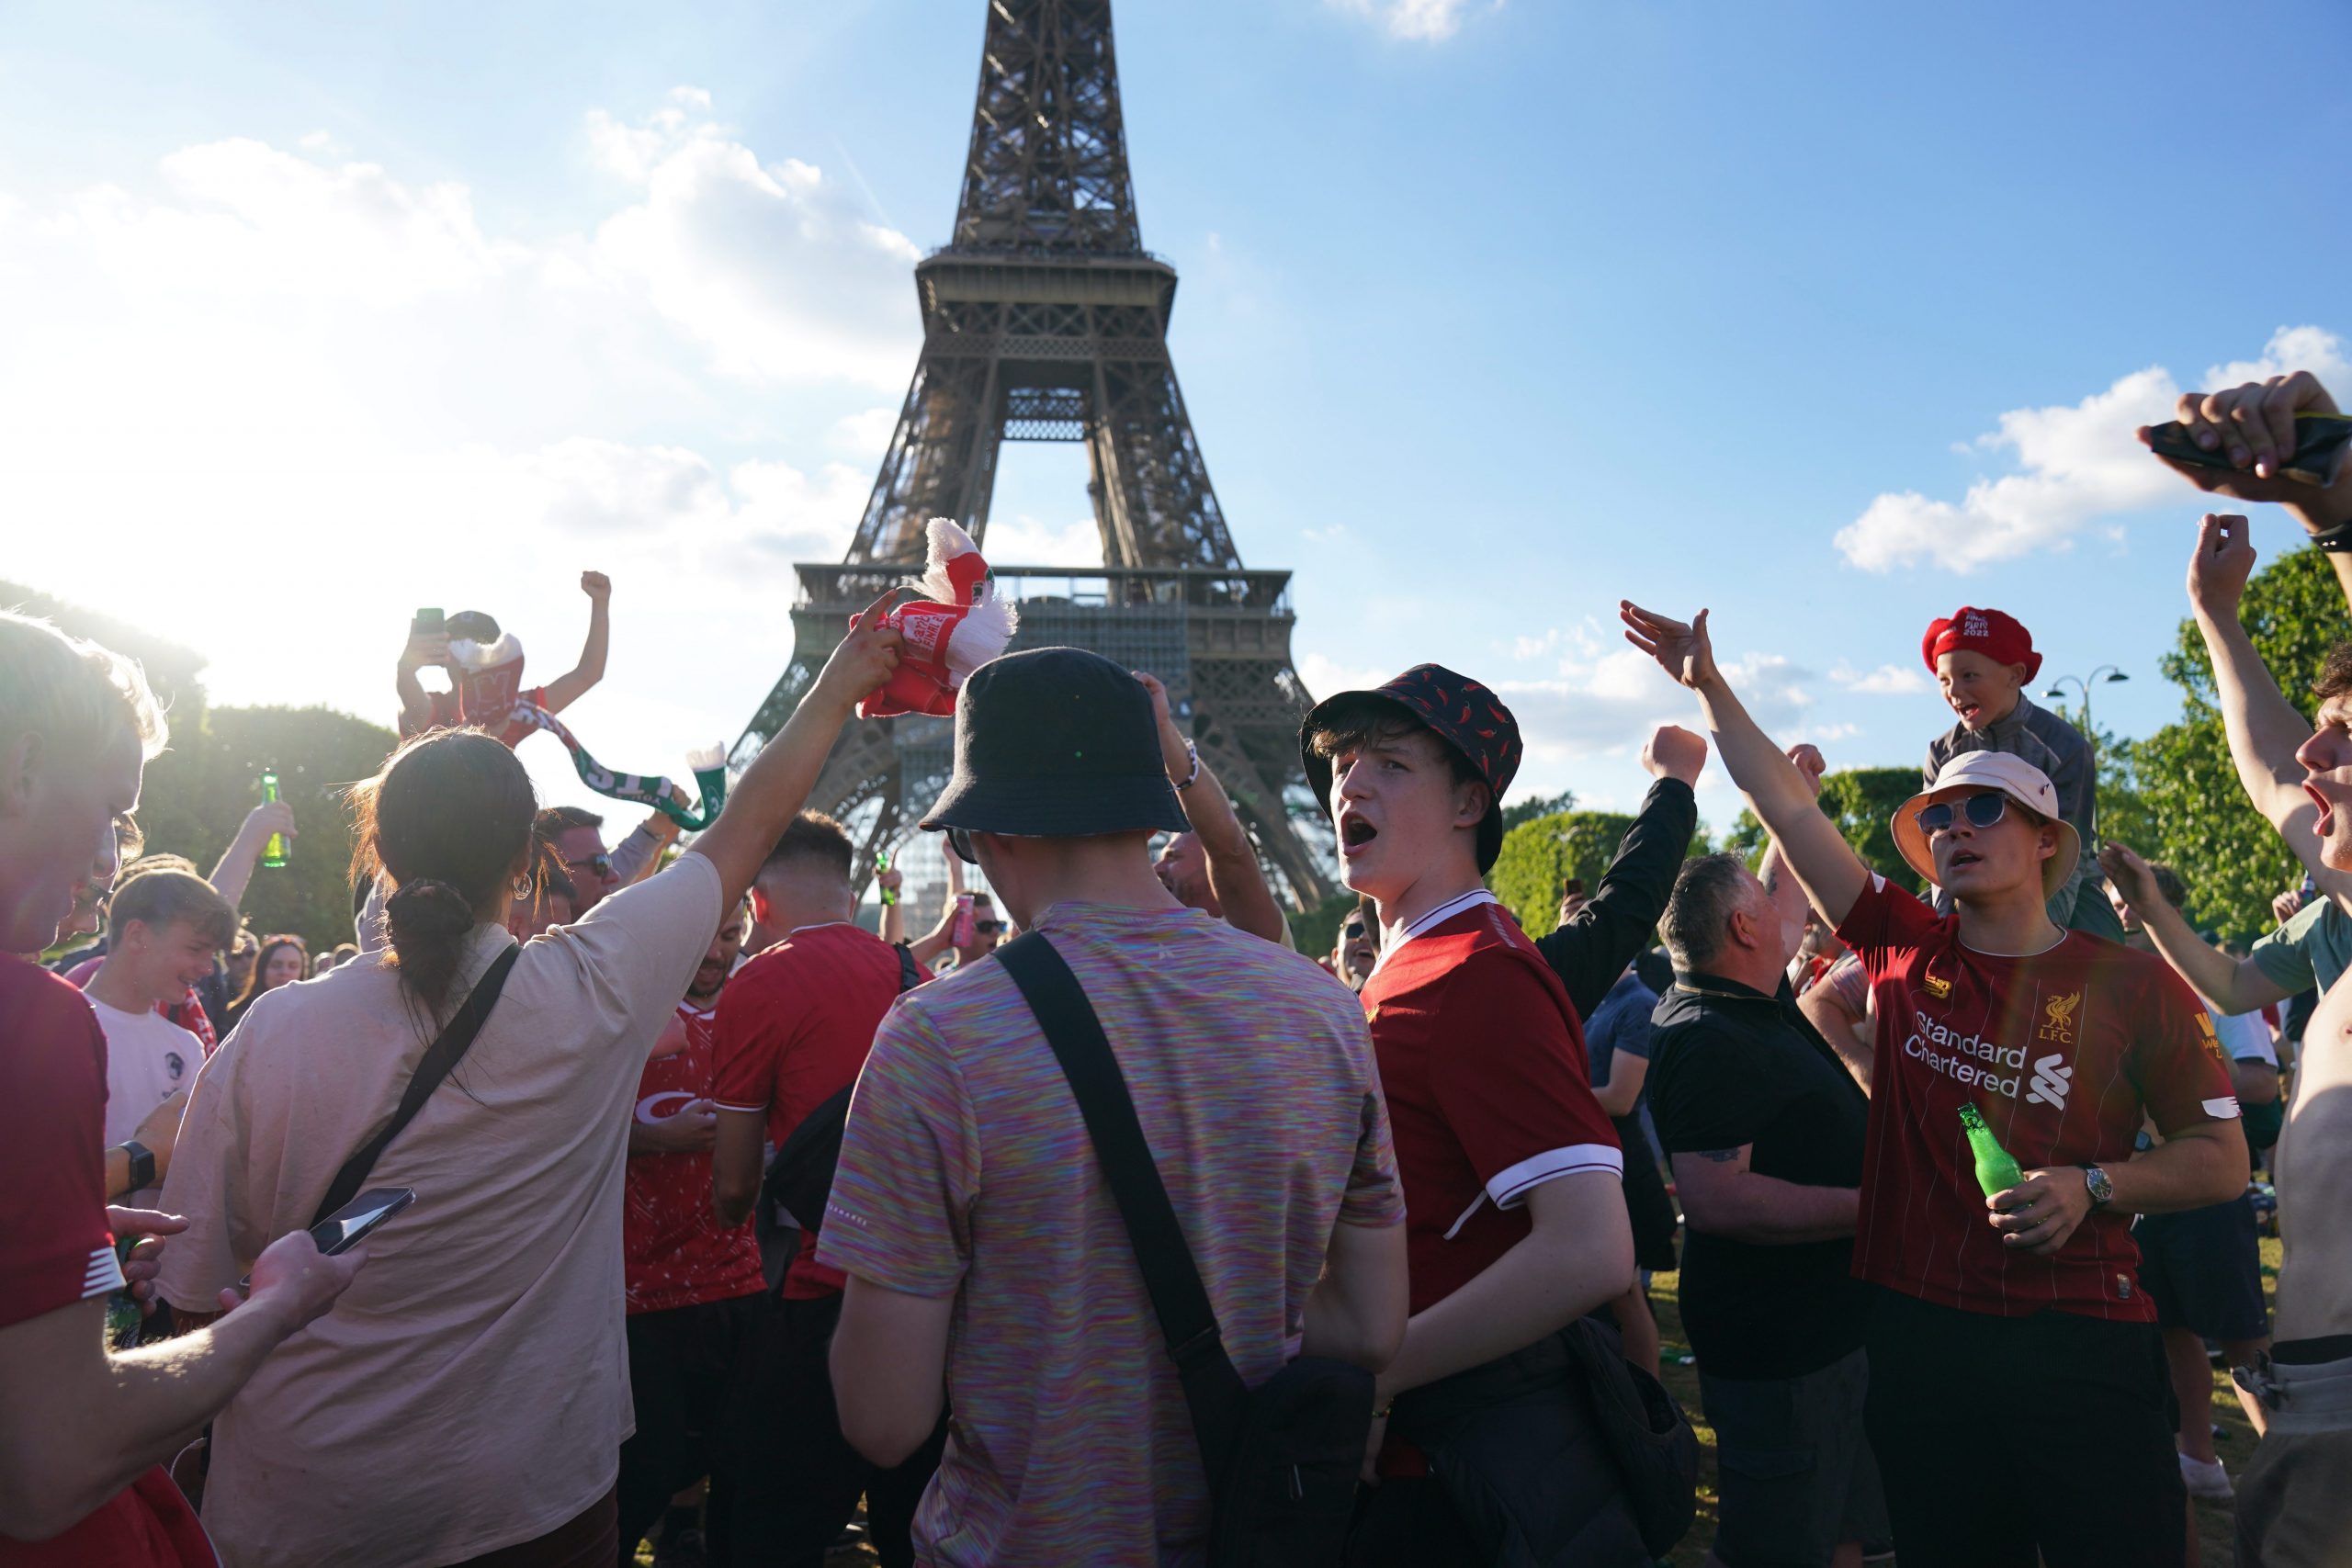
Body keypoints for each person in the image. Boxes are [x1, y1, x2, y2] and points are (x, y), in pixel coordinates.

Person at [150, 595, 905, 1567]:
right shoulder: (592, 988)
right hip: (527, 1495)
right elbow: (747, 825)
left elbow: (196, 1297)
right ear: (527, 860)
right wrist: (840, 682)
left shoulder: (270, 1032)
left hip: (305, 1501)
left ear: (378, 852)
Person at [1622, 598, 2247, 1568]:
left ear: (2048, 838)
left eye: (1985, 806)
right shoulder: (1900, 945)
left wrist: (2092, 1186)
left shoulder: (2133, 983)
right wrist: (1709, 684)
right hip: (1921, 1340)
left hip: (2082, 1337)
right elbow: (1787, 809)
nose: (1955, 824)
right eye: (1938, 814)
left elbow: (2219, 1158)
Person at [819, 647, 1408, 1565]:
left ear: (991, 830)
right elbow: (1370, 1326)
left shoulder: (939, 1038)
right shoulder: (1323, 1010)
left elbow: (883, 1420)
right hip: (1250, 1532)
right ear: (1146, 814)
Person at [0, 610, 363, 1562]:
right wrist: (277, 1308)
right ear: (22, 769)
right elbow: (53, 1466)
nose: (114, 862)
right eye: (117, 814)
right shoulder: (34, 1023)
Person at [1301, 664, 1643, 1563]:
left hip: (1452, 1472)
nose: (1350, 785)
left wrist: (1380, 1375)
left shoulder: (1478, 974)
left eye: (1389, 765)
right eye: (1341, 765)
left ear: (1467, 804)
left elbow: (1590, 1247)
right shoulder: (1413, 960)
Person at [2136, 369, 2352, 1563]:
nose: (2314, 754)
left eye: (2350, 736)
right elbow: (2276, 767)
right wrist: (2220, 614)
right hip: (2320, 1405)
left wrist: (2337, 503)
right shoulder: (2343, 912)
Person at [709, 811, 939, 1566]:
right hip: (932, 1299)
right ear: (848, 890)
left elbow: (736, 1181)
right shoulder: (921, 981)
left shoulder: (758, 984)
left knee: (763, 1532)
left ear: (758, 900)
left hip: (820, 1293)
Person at [1645, 853, 1884, 1568]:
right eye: (1765, 899)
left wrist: (1790, 809)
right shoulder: (1707, 1035)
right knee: (1776, 1544)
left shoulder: (1751, 994)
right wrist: (1879, 1211)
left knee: (1843, 1529)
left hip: (1829, 1332)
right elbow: (1720, 1199)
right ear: (1744, 927)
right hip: (1781, 1353)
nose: (1795, 912)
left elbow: (1776, 894)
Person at [2100, 849, 2277, 1506]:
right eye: (2114, 906)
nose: (2120, 916)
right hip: (2145, 1185)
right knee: (2170, 1327)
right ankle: (2199, 1457)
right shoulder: (2115, 978)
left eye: (2130, 904)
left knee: (2241, 1336)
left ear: (2161, 904)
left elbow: (2260, 1081)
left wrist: (2176, 1082)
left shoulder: (2215, 977)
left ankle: (2284, 1458)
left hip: (2208, 1177)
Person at [618, 901, 765, 1564]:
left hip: (737, 1272)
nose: (715, 953)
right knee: (650, 1461)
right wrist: (656, 1137)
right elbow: (563, 1130)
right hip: (641, 1285)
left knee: (731, 1452)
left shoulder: (757, 1009)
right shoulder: (629, 1015)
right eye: (703, 939)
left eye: (730, 936)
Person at [1917, 604, 2120, 941]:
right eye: (1944, 680)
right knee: (1906, 950)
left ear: (2015, 675)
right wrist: (1942, 924)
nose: (1953, 690)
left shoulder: (2065, 745)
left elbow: (2074, 849)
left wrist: (2041, 934)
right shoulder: (1941, 752)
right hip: (1968, 882)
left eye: (1969, 676)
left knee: (2106, 951)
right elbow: (1935, 847)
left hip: (2053, 885)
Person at [84, 870, 237, 1205]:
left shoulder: (185, 1045)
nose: (207, 968)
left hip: (151, 1253)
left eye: (211, 955)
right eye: (196, 949)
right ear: (138, 935)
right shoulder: (60, 1024)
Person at [1136, 672, 1296, 948]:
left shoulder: (1252, 936)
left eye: (1174, 856)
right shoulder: (1148, 946)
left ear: (1214, 865)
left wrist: (1163, 730)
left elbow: (1229, 849)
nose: (1157, 867)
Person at [1580, 956, 1669, 1377]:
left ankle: (1651, 1405)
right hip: (1598, 1157)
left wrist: (1547, 1092)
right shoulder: (1597, 999)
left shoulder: (1638, 1003)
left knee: (1627, 1291)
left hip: (1624, 1158)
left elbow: (1620, 1097)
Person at [396, 570, 612, 741]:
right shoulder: (433, 708)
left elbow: (587, 674)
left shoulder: (515, 710)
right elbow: (413, 699)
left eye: (481, 643)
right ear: (443, 655)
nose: (471, 651)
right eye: (460, 642)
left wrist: (600, 604)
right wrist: (406, 668)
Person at [219, 932, 308, 1035]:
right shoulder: (237, 1014)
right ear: (262, 969)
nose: (284, 972)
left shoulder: (312, 1013)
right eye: (276, 965)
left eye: (293, 966)